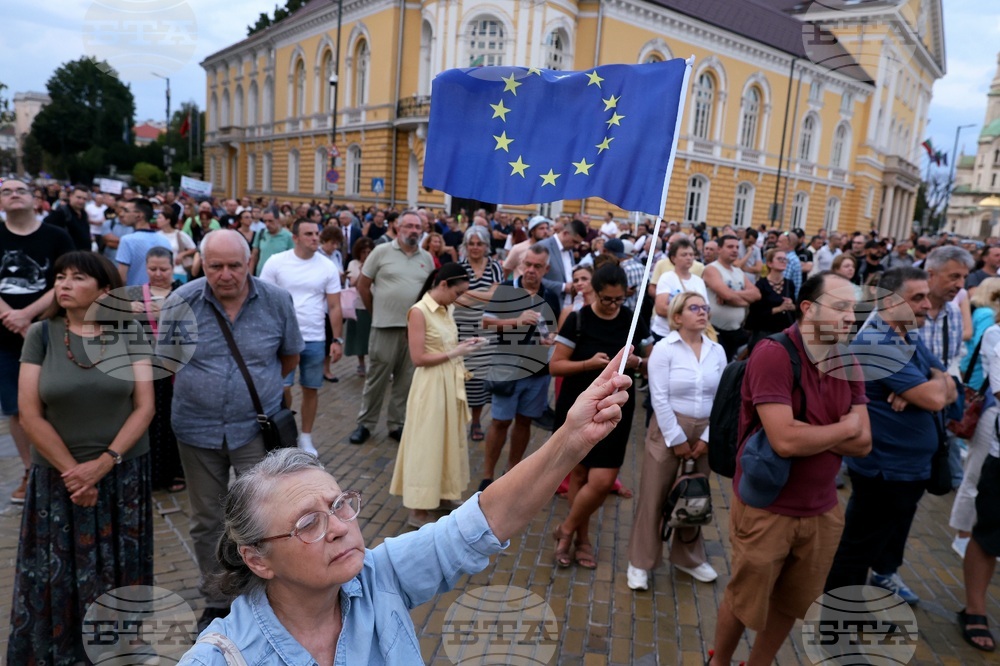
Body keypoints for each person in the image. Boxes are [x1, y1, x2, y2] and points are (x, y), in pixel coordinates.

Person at [176, 349, 632, 664]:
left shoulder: (377, 576)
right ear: (257, 558)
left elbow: (480, 524)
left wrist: (571, 439)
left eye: (339, 506)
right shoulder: (220, 657)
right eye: (308, 524)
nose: (338, 528)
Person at [708, 272, 871, 666]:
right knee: (745, 597)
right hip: (768, 507)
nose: (852, 317)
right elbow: (784, 440)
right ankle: (719, 660)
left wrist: (813, 432)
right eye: (841, 307)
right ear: (808, 309)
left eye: (855, 308)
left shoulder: (848, 360)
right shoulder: (774, 354)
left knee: (792, 601)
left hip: (823, 508)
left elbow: (863, 442)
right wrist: (842, 428)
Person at [7, 251, 155, 664]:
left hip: (122, 476)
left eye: (77, 277)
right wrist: (76, 474)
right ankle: (62, 651)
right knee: (59, 571)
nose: (64, 284)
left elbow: (145, 407)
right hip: (59, 481)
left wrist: (105, 463)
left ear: (105, 290)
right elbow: (29, 414)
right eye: (59, 277)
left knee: (122, 569)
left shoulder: (130, 333)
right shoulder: (42, 334)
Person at [157, 229, 304, 631]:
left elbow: (289, 357)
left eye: (234, 265)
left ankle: (267, 591)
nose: (225, 274)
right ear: (201, 264)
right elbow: (166, 362)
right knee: (206, 518)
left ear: (249, 262)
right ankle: (218, 599)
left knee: (266, 515)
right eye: (215, 266)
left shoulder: (276, 301)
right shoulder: (180, 302)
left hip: (255, 429)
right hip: (196, 430)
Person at [825, 267, 956, 605]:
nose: (927, 304)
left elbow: (949, 383)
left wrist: (930, 381)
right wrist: (927, 387)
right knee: (856, 551)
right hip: (885, 468)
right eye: (917, 297)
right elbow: (937, 398)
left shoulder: (905, 334)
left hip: (907, 467)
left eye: (926, 296)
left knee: (884, 540)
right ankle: (838, 626)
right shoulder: (876, 342)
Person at [550, 264, 647, 569]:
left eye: (619, 299)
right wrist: (589, 364)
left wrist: (638, 361)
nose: (614, 305)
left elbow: (647, 358)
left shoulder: (631, 319)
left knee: (603, 479)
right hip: (580, 404)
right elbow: (555, 365)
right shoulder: (578, 319)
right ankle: (581, 538)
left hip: (616, 408)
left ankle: (565, 529)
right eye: (607, 299)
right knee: (578, 474)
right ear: (594, 290)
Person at [627, 291, 726, 590]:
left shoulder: (716, 351)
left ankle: (689, 558)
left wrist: (707, 438)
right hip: (669, 429)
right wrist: (677, 439)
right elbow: (658, 397)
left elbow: (722, 399)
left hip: (706, 430)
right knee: (654, 496)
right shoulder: (664, 349)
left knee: (694, 495)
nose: (702, 312)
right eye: (694, 307)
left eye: (705, 307)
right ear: (678, 316)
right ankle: (641, 561)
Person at [390, 263, 483, 528]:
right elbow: (418, 358)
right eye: (458, 292)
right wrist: (456, 352)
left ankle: (443, 494)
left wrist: (464, 345)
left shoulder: (446, 308)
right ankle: (418, 507)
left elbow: (446, 344)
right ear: (443, 285)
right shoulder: (418, 311)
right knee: (426, 443)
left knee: (448, 440)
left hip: (449, 381)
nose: (459, 298)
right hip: (430, 385)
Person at [0, 179, 76, 503]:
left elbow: (68, 281)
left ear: (36, 199)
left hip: (50, 332)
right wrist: (10, 316)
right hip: (3, 339)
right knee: (17, 408)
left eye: (20, 190)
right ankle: (31, 470)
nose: (13, 194)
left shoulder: (56, 236)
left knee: (55, 401)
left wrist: (27, 315)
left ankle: (61, 466)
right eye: (6, 191)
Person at [260, 220, 344, 457]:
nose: (315, 237)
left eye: (317, 233)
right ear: (295, 237)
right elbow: (263, 300)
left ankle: (306, 436)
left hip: (315, 337)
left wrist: (337, 340)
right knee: (282, 388)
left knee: (311, 388)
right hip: (282, 339)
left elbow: (335, 306)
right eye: (309, 234)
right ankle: (285, 432)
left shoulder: (327, 266)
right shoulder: (277, 262)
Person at [480, 245, 562, 490]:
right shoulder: (506, 289)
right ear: (521, 264)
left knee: (525, 422)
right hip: (507, 368)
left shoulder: (550, 294)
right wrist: (517, 321)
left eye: (537, 266)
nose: (531, 270)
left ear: (546, 269)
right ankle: (487, 476)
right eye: (527, 264)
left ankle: (512, 471)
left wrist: (551, 338)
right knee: (500, 422)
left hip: (537, 371)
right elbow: (486, 322)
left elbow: (552, 328)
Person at [349, 212, 434, 444]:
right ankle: (365, 424)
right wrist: (375, 312)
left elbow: (429, 293)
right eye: (409, 226)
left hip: (413, 330)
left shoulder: (426, 258)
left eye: (418, 227)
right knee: (376, 378)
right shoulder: (381, 251)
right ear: (398, 228)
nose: (414, 230)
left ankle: (397, 424)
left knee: (405, 380)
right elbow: (363, 285)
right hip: (384, 326)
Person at [124, 246, 186, 491]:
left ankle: (176, 472)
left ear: (173, 268)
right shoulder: (135, 294)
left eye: (163, 269)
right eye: (152, 269)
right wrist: (127, 312)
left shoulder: (183, 292)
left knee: (174, 421)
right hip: (145, 368)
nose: (158, 274)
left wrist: (169, 314)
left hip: (176, 369)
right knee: (148, 419)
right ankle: (149, 473)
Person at [951, 277, 1000, 560]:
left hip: (989, 405)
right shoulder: (994, 330)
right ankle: (962, 535)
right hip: (988, 411)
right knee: (974, 474)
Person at [456, 225, 504, 442]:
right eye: (471, 244)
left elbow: (496, 296)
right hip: (460, 328)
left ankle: (475, 421)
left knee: (479, 378)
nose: (475, 248)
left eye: (479, 244)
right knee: (460, 377)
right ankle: (457, 422)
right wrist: (485, 293)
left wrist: (469, 294)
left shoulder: (494, 266)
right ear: (465, 246)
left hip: (486, 330)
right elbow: (456, 297)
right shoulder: (458, 267)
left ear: (486, 246)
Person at [703, 235, 760, 361]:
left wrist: (732, 295)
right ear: (719, 249)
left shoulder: (738, 271)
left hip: (736, 331)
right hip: (715, 331)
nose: (735, 250)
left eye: (737, 247)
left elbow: (756, 294)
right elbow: (726, 295)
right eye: (730, 247)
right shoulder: (712, 269)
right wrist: (744, 299)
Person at [650, 238, 707, 343]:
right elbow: (661, 309)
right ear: (673, 258)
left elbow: (706, 309)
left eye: (691, 254)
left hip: (691, 336)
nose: (689, 258)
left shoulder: (698, 281)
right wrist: (692, 313)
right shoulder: (667, 278)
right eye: (684, 255)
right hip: (666, 334)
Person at [745, 248, 796, 351]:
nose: (783, 261)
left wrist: (791, 306)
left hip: (785, 334)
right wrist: (779, 308)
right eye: (779, 259)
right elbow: (755, 313)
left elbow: (796, 307)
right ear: (769, 263)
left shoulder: (789, 284)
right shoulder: (761, 285)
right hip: (765, 334)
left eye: (785, 259)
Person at [114, 198, 173, 287]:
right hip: (159, 296)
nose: (122, 214)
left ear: (139, 215)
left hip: (133, 296)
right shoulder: (164, 240)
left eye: (126, 211)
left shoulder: (127, 240)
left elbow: (122, 278)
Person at [535, 218, 587, 307]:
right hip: (547, 307)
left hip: (568, 305)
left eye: (578, 243)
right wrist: (562, 287)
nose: (576, 246)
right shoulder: (542, 247)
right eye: (574, 242)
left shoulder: (569, 249)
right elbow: (534, 279)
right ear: (565, 233)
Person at [344, 237, 375, 377]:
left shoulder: (376, 264)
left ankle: (374, 363)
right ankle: (361, 363)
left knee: (372, 337)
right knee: (358, 337)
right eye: (363, 252)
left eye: (369, 251)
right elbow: (353, 284)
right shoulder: (353, 264)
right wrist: (363, 271)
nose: (366, 255)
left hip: (373, 303)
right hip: (357, 305)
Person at [156, 205, 198, 283]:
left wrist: (182, 254)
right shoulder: (157, 235)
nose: (157, 220)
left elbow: (194, 249)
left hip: (178, 272)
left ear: (168, 220)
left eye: (160, 218)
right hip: (160, 273)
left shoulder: (179, 234)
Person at [42, 184, 91, 250]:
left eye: (84, 199)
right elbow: (47, 228)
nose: (81, 201)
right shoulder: (61, 212)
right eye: (78, 197)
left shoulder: (84, 214)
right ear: (71, 196)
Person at [250, 209, 294, 276]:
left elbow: (292, 259)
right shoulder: (260, 233)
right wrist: (250, 275)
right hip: (261, 275)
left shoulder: (289, 236)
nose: (267, 224)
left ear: (278, 220)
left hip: (279, 276)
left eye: (270, 221)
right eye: (265, 221)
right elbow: (254, 256)